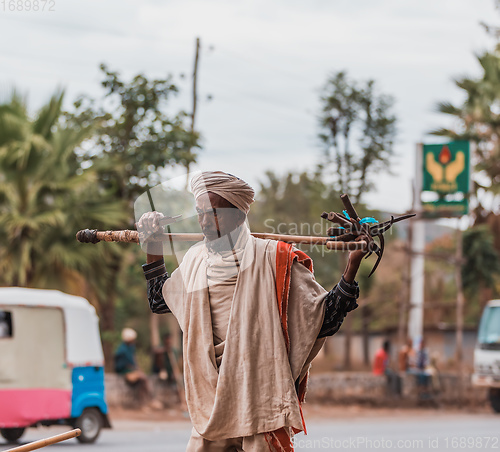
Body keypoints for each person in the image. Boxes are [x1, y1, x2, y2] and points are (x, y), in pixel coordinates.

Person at [137, 171, 368, 451]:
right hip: (210, 405)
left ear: (239, 216)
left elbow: (326, 319)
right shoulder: (195, 260)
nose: (204, 221)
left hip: (261, 403)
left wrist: (353, 263)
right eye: (200, 213)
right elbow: (160, 301)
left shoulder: (276, 260)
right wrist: (153, 243)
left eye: (214, 213)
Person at [114, 327, 151, 407]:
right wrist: (131, 369)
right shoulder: (122, 351)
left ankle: (145, 402)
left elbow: (133, 362)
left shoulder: (130, 348)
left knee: (142, 381)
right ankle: (146, 402)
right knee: (143, 379)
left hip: (132, 371)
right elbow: (120, 366)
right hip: (125, 373)